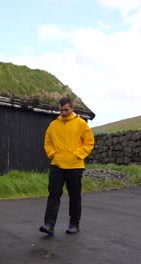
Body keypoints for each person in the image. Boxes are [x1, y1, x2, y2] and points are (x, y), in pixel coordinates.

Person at [39, 97, 95, 235]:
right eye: (61, 110)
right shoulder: (53, 125)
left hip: (75, 166)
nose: (63, 113)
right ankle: (49, 225)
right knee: (53, 195)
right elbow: (47, 143)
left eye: (66, 110)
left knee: (74, 196)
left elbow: (89, 143)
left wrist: (78, 154)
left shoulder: (81, 124)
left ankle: (74, 225)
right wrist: (53, 154)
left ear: (72, 109)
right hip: (57, 165)